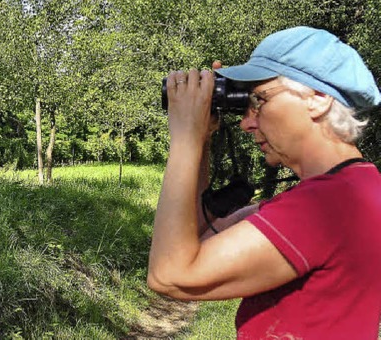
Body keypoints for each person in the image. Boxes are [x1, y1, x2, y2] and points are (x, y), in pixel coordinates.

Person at [147, 26, 381, 339]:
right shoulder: (356, 187)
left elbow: (170, 274)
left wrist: (185, 139)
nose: (246, 123)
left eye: (259, 100)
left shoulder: (326, 204)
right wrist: (202, 139)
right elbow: (196, 239)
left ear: (319, 99)